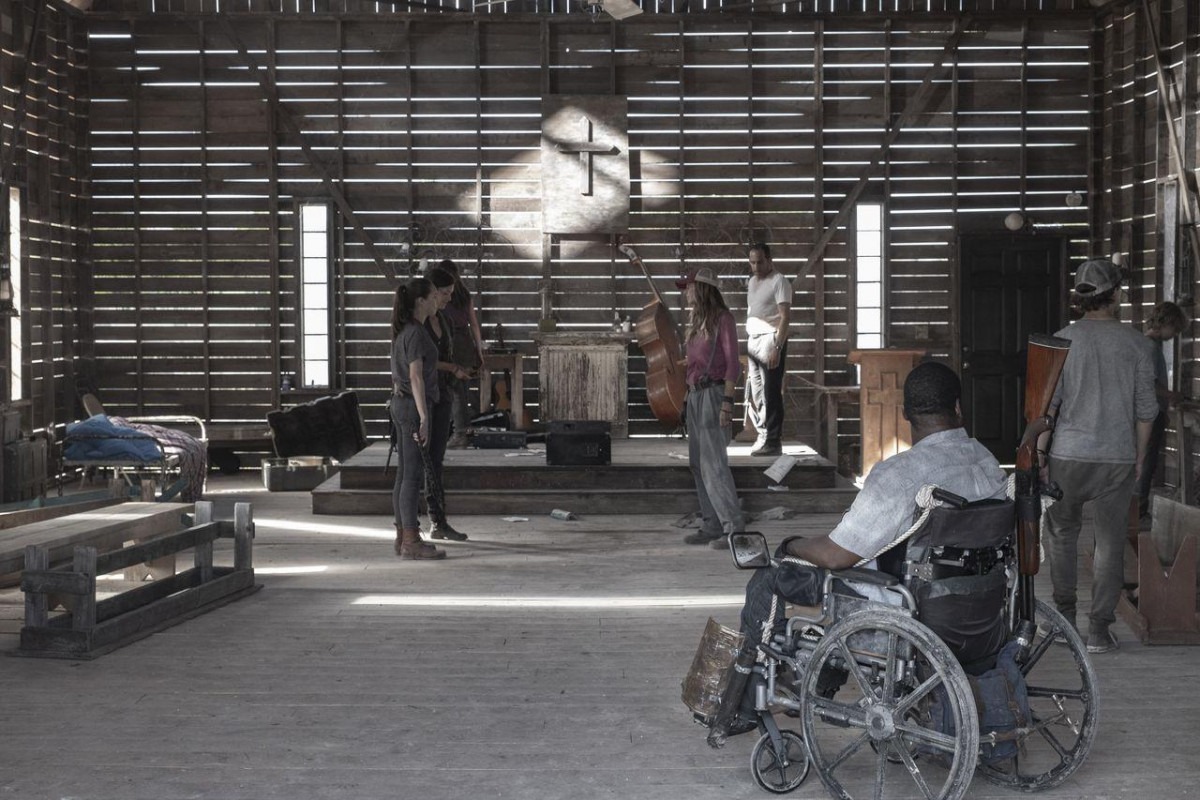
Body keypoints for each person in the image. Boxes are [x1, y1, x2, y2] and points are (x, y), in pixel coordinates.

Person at [713, 361, 1007, 739]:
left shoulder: (901, 474)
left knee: (772, 579)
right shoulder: (986, 460)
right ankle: (815, 685)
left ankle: (743, 707)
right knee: (845, 586)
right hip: (980, 612)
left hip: (913, 612)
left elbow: (837, 555)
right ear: (958, 408)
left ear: (905, 414)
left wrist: (791, 546)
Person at [1042, 259, 1157, 654]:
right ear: (1116, 295)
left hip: (1068, 454)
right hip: (1117, 457)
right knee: (1109, 543)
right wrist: (1139, 458)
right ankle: (1098, 631)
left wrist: (1040, 455)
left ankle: (1064, 623)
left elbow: (1048, 407)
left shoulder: (1062, 341)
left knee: (1062, 535)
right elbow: (1146, 411)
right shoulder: (1138, 345)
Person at [676, 267, 745, 547]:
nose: (686, 293)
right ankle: (712, 524)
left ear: (702, 289)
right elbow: (693, 366)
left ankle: (734, 530)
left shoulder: (723, 319)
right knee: (697, 463)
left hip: (715, 396)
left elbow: (733, 365)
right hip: (695, 396)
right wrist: (686, 398)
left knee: (713, 465)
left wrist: (727, 403)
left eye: (689, 287)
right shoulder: (697, 322)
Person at [389, 276, 447, 561]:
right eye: (434, 295)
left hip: (402, 405)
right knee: (412, 475)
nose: (438, 300)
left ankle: (403, 536)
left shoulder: (407, 331)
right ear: (420, 301)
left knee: (404, 474)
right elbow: (414, 376)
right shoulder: (414, 333)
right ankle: (411, 541)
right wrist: (424, 417)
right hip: (412, 408)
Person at [422, 267, 471, 541]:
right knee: (421, 463)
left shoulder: (446, 320)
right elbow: (421, 362)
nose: (449, 299)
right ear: (431, 292)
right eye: (445, 293)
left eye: (451, 293)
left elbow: (446, 356)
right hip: (422, 398)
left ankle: (438, 522)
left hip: (442, 395)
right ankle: (410, 528)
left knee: (436, 461)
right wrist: (452, 368)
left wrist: (455, 372)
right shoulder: (417, 324)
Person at [1137, 301, 1189, 519]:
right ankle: (1139, 509)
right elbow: (1148, 383)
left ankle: (1138, 507)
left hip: (1151, 410)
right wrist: (1171, 396)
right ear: (1165, 323)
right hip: (1149, 412)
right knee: (1146, 461)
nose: (1175, 334)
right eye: (1174, 329)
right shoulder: (1149, 347)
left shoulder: (1146, 344)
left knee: (1146, 460)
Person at [744, 243, 792, 457]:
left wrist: (777, 347)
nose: (756, 267)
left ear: (769, 260)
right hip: (753, 340)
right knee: (756, 392)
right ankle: (763, 435)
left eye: (760, 262)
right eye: (752, 262)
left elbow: (785, 317)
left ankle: (773, 441)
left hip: (770, 339)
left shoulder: (779, 281)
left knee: (771, 391)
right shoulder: (752, 281)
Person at [437, 259, 485, 448]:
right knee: (462, 392)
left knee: (455, 391)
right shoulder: (465, 294)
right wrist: (478, 350)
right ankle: (461, 432)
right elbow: (474, 324)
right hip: (465, 342)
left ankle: (459, 433)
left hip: (450, 340)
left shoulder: (441, 295)